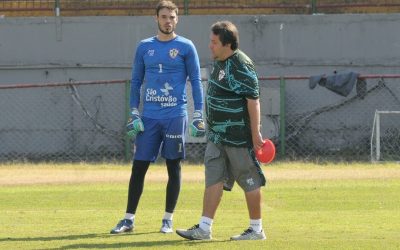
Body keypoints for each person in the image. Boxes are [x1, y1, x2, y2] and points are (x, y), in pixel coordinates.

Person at [110, 0, 205, 234]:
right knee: (138, 166)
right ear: (156, 18)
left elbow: (195, 81)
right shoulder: (144, 47)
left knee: (173, 166)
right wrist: (133, 111)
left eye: (172, 17)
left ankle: (168, 219)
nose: (168, 21)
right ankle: (128, 219)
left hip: (175, 115)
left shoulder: (186, 46)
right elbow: (136, 81)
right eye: (164, 17)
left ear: (177, 19)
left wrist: (198, 114)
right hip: (149, 117)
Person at [176, 20, 267, 241]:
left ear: (227, 44)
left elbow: (253, 101)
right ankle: (204, 229)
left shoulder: (241, 65)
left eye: (214, 42)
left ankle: (257, 230)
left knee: (249, 180)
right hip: (216, 137)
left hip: (237, 138)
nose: (210, 46)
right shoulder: (219, 62)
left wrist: (255, 134)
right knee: (213, 179)